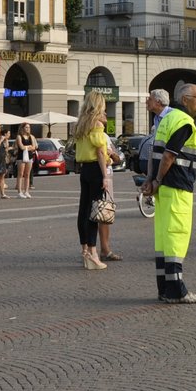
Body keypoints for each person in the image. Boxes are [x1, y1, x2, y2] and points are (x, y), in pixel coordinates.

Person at [142, 83, 196, 303]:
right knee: (177, 237)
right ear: (185, 98)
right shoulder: (184, 122)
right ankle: (178, 291)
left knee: (163, 240)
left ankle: (165, 289)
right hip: (177, 186)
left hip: (164, 191)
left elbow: (154, 153)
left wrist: (150, 181)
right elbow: (168, 156)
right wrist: (157, 180)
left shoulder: (166, 119)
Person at [70, 95, 119, 270]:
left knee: (83, 210)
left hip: (85, 170)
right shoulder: (97, 125)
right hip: (96, 169)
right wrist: (105, 175)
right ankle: (93, 253)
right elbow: (99, 152)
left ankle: (84, 250)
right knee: (94, 213)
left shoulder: (81, 124)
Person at [139, 89, 172, 182]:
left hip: (170, 165)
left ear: (158, 102)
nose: (146, 101)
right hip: (160, 162)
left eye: (150, 99)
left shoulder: (172, 115)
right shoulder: (156, 118)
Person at [16, 123, 38, 198]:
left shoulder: (31, 137)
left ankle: (26, 191)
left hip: (29, 156)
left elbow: (34, 147)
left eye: (29, 127)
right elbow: (21, 147)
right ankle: (19, 192)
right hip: (21, 157)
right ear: (22, 128)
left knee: (27, 174)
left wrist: (27, 147)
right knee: (20, 174)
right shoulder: (19, 137)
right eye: (26, 127)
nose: (28, 128)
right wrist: (29, 147)